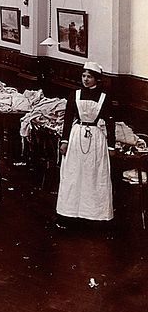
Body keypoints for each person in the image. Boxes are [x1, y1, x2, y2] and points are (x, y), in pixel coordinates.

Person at [56, 61, 115, 226]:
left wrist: (111, 145)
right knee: (74, 174)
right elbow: (68, 119)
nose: (86, 79)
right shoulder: (74, 94)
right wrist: (64, 141)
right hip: (76, 137)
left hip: (96, 139)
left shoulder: (104, 97)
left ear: (96, 79)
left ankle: (94, 216)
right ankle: (69, 213)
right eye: (84, 76)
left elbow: (110, 122)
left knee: (93, 176)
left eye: (89, 76)